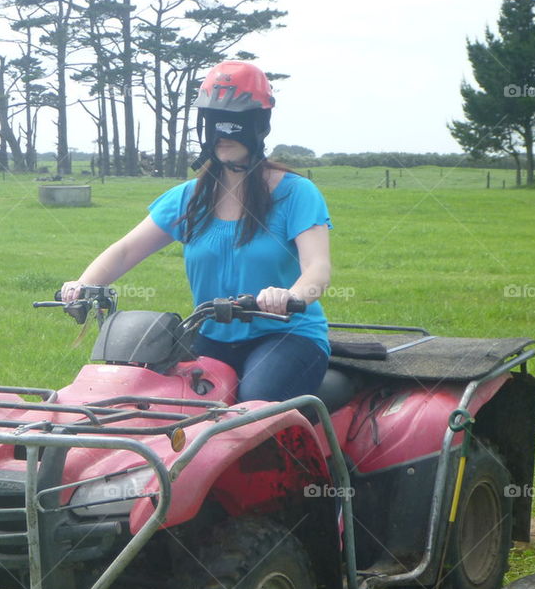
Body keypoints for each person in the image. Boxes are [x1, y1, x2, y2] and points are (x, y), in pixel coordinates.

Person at [61, 60, 332, 403]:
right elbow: (127, 249)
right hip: (212, 335)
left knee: (254, 402)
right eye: (214, 124)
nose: (223, 136)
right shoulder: (190, 198)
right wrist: (85, 284)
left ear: (258, 126)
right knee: (157, 397)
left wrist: (291, 296)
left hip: (286, 335)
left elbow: (318, 268)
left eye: (235, 124)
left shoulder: (296, 193)